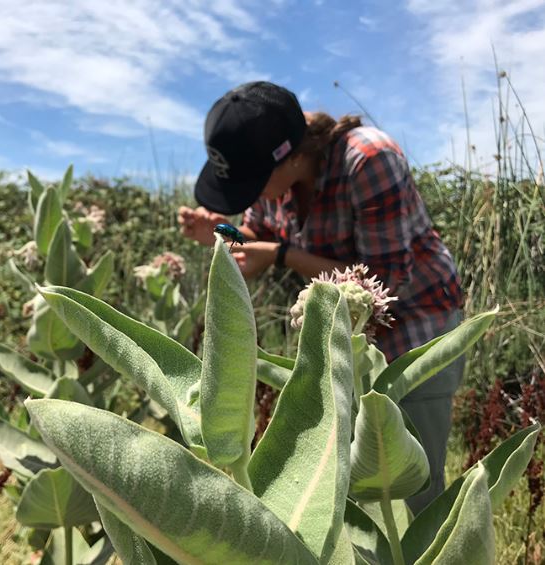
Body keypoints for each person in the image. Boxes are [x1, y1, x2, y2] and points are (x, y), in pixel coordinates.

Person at [178, 81, 465, 514]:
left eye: (252, 183)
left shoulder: (369, 159)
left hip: (416, 327)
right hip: (344, 342)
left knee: (413, 492)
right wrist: (223, 233)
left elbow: (382, 280)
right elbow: (261, 235)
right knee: (345, 494)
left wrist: (281, 256)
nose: (250, 197)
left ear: (292, 157)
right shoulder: (277, 175)